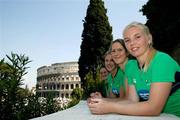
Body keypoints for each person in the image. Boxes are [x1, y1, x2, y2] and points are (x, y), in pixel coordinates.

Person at [88, 21, 180, 116]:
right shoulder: (132, 68)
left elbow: (154, 108)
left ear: (149, 39)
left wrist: (110, 107)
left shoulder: (161, 60)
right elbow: (131, 101)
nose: (132, 43)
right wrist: (101, 101)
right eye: (127, 40)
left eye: (137, 37)